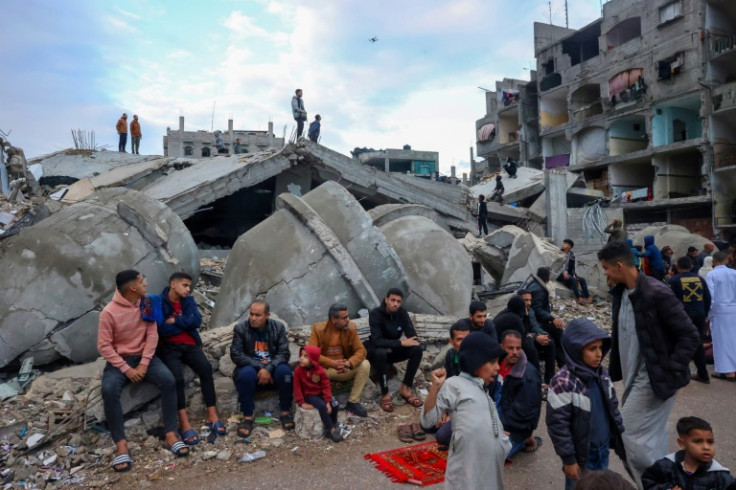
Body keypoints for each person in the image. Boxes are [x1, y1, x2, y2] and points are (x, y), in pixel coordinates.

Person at [597, 240, 699, 488]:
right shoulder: (622, 293)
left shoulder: (657, 293)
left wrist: (669, 369)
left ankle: (659, 485)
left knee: (626, 435)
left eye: (606, 269)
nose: (606, 275)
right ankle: (668, 481)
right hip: (637, 378)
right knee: (651, 438)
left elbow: (690, 335)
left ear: (619, 266)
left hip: (653, 380)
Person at [98, 270, 188, 473]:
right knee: (109, 389)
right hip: (119, 361)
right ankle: (121, 444)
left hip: (144, 357)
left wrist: (144, 364)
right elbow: (104, 347)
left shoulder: (146, 303)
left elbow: (152, 335)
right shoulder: (108, 313)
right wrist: (126, 369)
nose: (145, 284)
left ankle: (171, 434)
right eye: (141, 281)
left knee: (168, 380)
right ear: (132, 288)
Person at [420, 332, 511, 489]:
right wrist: (435, 387)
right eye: (492, 362)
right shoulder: (455, 385)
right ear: (476, 361)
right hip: (465, 470)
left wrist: (501, 440)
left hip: (490, 471)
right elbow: (427, 421)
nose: (497, 368)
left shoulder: (484, 389)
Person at [546, 318, 625, 490]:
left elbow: (612, 406)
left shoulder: (602, 374)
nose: (598, 354)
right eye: (592, 349)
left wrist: (619, 435)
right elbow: (558, 425)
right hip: (582, 455)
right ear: (576, 349)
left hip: (602, 449)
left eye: (600, 348)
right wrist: (569, 460)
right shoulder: (563, 382)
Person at [154, 272, 224, 445]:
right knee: (176, 378)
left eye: (189, 286)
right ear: (173, 284)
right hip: (169, 347)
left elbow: (197, 321)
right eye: (185, 285)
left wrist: (176, 320)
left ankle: (212, 414)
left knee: (205, 369)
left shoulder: (189, 301)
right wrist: (184, 322)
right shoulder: (159, 302)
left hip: (191, 344)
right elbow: (161, 329)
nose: (188, 289)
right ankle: (184, 423)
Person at [230, 300, 294, 438]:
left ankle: (285, 412)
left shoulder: (278, 327)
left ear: (267, 315)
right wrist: (261, 367)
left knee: (286, 373)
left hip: (272, 371)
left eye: (258, 315)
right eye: (251, 314)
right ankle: (247, 416)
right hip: (251, 370)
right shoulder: (241, 328)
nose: (253, 318)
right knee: (246, 374)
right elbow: (236, 354)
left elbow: (284, 353)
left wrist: (269, 368)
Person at [366, 288, 424, 412]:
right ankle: (385, 392)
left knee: (417, 350)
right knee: (381, 352)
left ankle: (405, 387)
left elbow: (413, 337)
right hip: (377, 353)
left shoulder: (402, 313)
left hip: (392, 351)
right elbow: (377, 341)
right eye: (392, 300)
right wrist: (401, 343)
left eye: (398, 301)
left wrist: (394, 346)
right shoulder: (375, 314)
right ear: (386, 300)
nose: (395, 304)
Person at [308, 304, 370, 417]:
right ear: (333, 319)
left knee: (365, 364)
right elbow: (311, 353)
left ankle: (353, 402)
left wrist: (348, 363)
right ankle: (322, 404)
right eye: (344, 318)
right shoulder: (318, 329)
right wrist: (332, 363)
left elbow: (361, 350)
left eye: (348, 316)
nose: (348, 320)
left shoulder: (351, 327)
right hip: (326, 370)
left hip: (344, 369)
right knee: (312, 373)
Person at [642, 416, 735, 490]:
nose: (706, 447)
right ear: (682, 443)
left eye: (710, 442)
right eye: (698, 441)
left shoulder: (719, 475)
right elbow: (649, 482)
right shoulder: (666, 466)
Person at [499, 330, 543, 463]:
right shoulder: (497, 363)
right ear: (501, 346)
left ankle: (523, 441)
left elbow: (524, 413)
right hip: (500, 415)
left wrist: (500, 428)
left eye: (518, 348)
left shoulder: (528, 377)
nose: (514, 352)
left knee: (495, 454)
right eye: (510, 348)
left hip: (516, 426)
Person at [668, 257, 711, 384]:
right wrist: (704, 314)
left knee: (680, 343)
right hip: (699, 315)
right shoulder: (700, 279)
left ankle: (681, 374)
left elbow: (669, 300)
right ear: (692, 266)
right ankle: (703, 374)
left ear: (677, 266)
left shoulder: (674, 280)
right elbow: (707, 298)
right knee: (697, 344)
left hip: (683, 316)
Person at [293, 346, 342, 442]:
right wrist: (302, 402)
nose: (301, 358)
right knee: (321, 406)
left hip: (320, 394)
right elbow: (297, 388)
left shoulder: (320, 371)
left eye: (305, 356)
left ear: (313, 360)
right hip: (309, 395)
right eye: (301, 355)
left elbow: (326, 385)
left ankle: (333, 422)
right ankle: (330, 430)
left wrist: (328, 401)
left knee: (335, 404)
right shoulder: (298, 371)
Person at [527, 267, 567, 370]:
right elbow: (537, 310)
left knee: (556, 331)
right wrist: (551, 318)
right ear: (547, 277)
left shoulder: (533, 285)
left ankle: (562, 362)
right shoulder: (539, 290)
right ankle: (563, 364)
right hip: (536, 323)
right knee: (557, 331)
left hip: (534, 321)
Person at [705, 251, 736, 381]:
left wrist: (709, 313)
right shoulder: (734, 273)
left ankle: (726, 371)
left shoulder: (711, 274)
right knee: (733, 339)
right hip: (733, 309)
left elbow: (710, 295)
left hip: (719, 310)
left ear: (713, 261)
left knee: (720, 341)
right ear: (727, 261)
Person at [518, 289, 556, 386]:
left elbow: (535, 326)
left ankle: (550, 378)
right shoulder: (517, 313)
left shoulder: (530, 311)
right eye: (526, 300)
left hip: (531, 337)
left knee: (549, 342)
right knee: (531, 348)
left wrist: (544, 335)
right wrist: (536, 337)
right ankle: (536, 380)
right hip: (521, 342)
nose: (529, 303)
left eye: (530, 300)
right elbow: (521, 333)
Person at [559, 239, 593, 305]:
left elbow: (572, 267)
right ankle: (578, 298)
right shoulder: (559, 253)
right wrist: (563, 272)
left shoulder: (571, 255)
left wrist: (574, 274)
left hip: (568, 273)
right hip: (560, 274)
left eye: (565, 243)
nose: (562, 244)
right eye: (563, 243)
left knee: (582, 279)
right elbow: (557, 266)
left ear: (569, 246)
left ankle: (587, 297)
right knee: (573, 280)